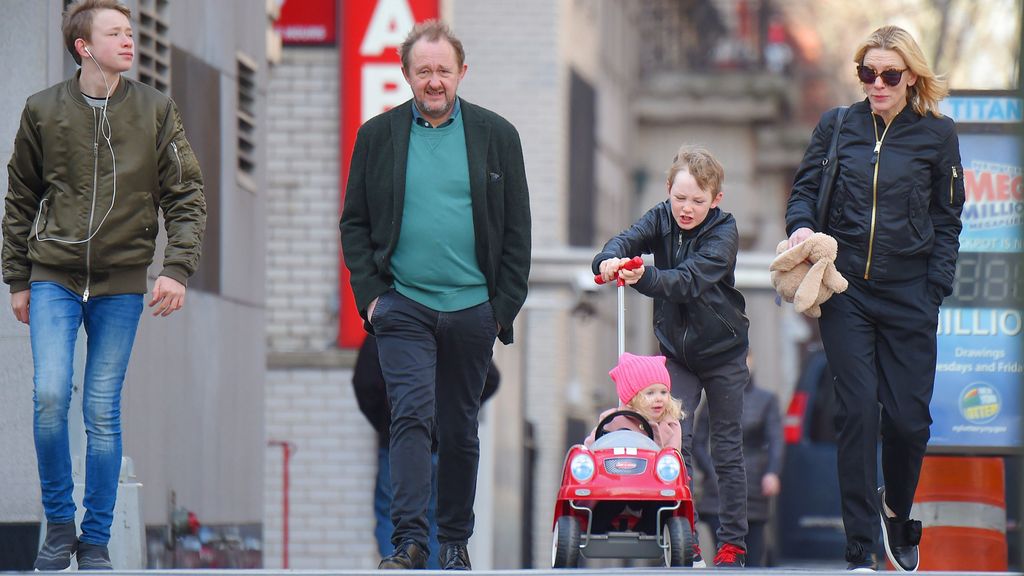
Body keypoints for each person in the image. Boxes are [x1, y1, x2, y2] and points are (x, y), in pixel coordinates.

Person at [2, 0, 206, 570]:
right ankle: (60, 526)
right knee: (48, 398)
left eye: (130, 30)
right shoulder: (43, 111)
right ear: (82, 46)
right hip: (53, 278)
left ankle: (95, 540)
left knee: (101, 411)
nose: (128, 40)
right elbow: (19, 200)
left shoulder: (156, 110)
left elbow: (187, 195)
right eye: (114, 32)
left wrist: (176, 267)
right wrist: (18, 277)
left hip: (120, 283)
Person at [338, 19, 531, 571]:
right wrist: (373, 298)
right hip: (403, 306)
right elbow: (354, 224)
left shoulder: (498, 136)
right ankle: (409, 543)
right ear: (406, 75)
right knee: (411, 417)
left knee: (458, 427)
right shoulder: (377, 137)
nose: (434, 81)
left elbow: (518, 230)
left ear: (461, 72)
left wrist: (501, 309)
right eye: (423, 71)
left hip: (473, 308)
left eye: (444, 70)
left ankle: (453, 542)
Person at [785, 25, 963, 572]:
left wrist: (935, 288)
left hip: (910, 294)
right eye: (867, 72)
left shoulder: (938, 135)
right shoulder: (838, 126)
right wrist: (798, 229)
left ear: (910, 76)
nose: (877, 83)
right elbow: (805, 192)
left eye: (888, 74)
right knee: (857, 411)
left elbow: (948, 219)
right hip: (847, 292)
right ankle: (860, 547)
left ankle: (897, 511)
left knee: (909, 422)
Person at [593, 145, 750, 568]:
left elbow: (689, 280)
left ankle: (732, 543)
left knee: (726, 449)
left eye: (698, 201)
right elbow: (626, 238)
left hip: (723, 352)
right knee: (673, 440)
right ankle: (685, 536)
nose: (686, 209)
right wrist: (609, 258)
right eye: (679, 198)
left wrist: (643, 276)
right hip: (676, 354)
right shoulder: (661, 217)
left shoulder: (724, 232)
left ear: (715, 200)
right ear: (667, 192)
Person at [351, 334, 501, 569]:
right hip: (444, 447)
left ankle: (401, 567)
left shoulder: (389, 323)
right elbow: (489, 378)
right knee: (438, 523)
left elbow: (365, 382)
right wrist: (456, 414)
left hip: (399, 448)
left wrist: (387, 422)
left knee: (394, 516)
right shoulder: (454, 328)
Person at [693, 353, 782, 567]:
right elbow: (698, 441)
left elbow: (776, 440)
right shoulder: (713, 397)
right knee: (724, 553)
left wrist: (772, 472)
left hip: (754, 486)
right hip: (719, 486)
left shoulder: (766, 400)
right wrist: (711, 471)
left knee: (753, 557)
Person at [582, 353, 683, 535]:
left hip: (652, 484)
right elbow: (592, 447)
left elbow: (672, 457)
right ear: (633, 397)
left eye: (663, 392)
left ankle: (652, 528)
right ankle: (595, 526)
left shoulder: (671, 425)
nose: (659, 398)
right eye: (650, 393)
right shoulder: (613, 420)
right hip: (616, 480)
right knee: (614, 496)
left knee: (666, 499)